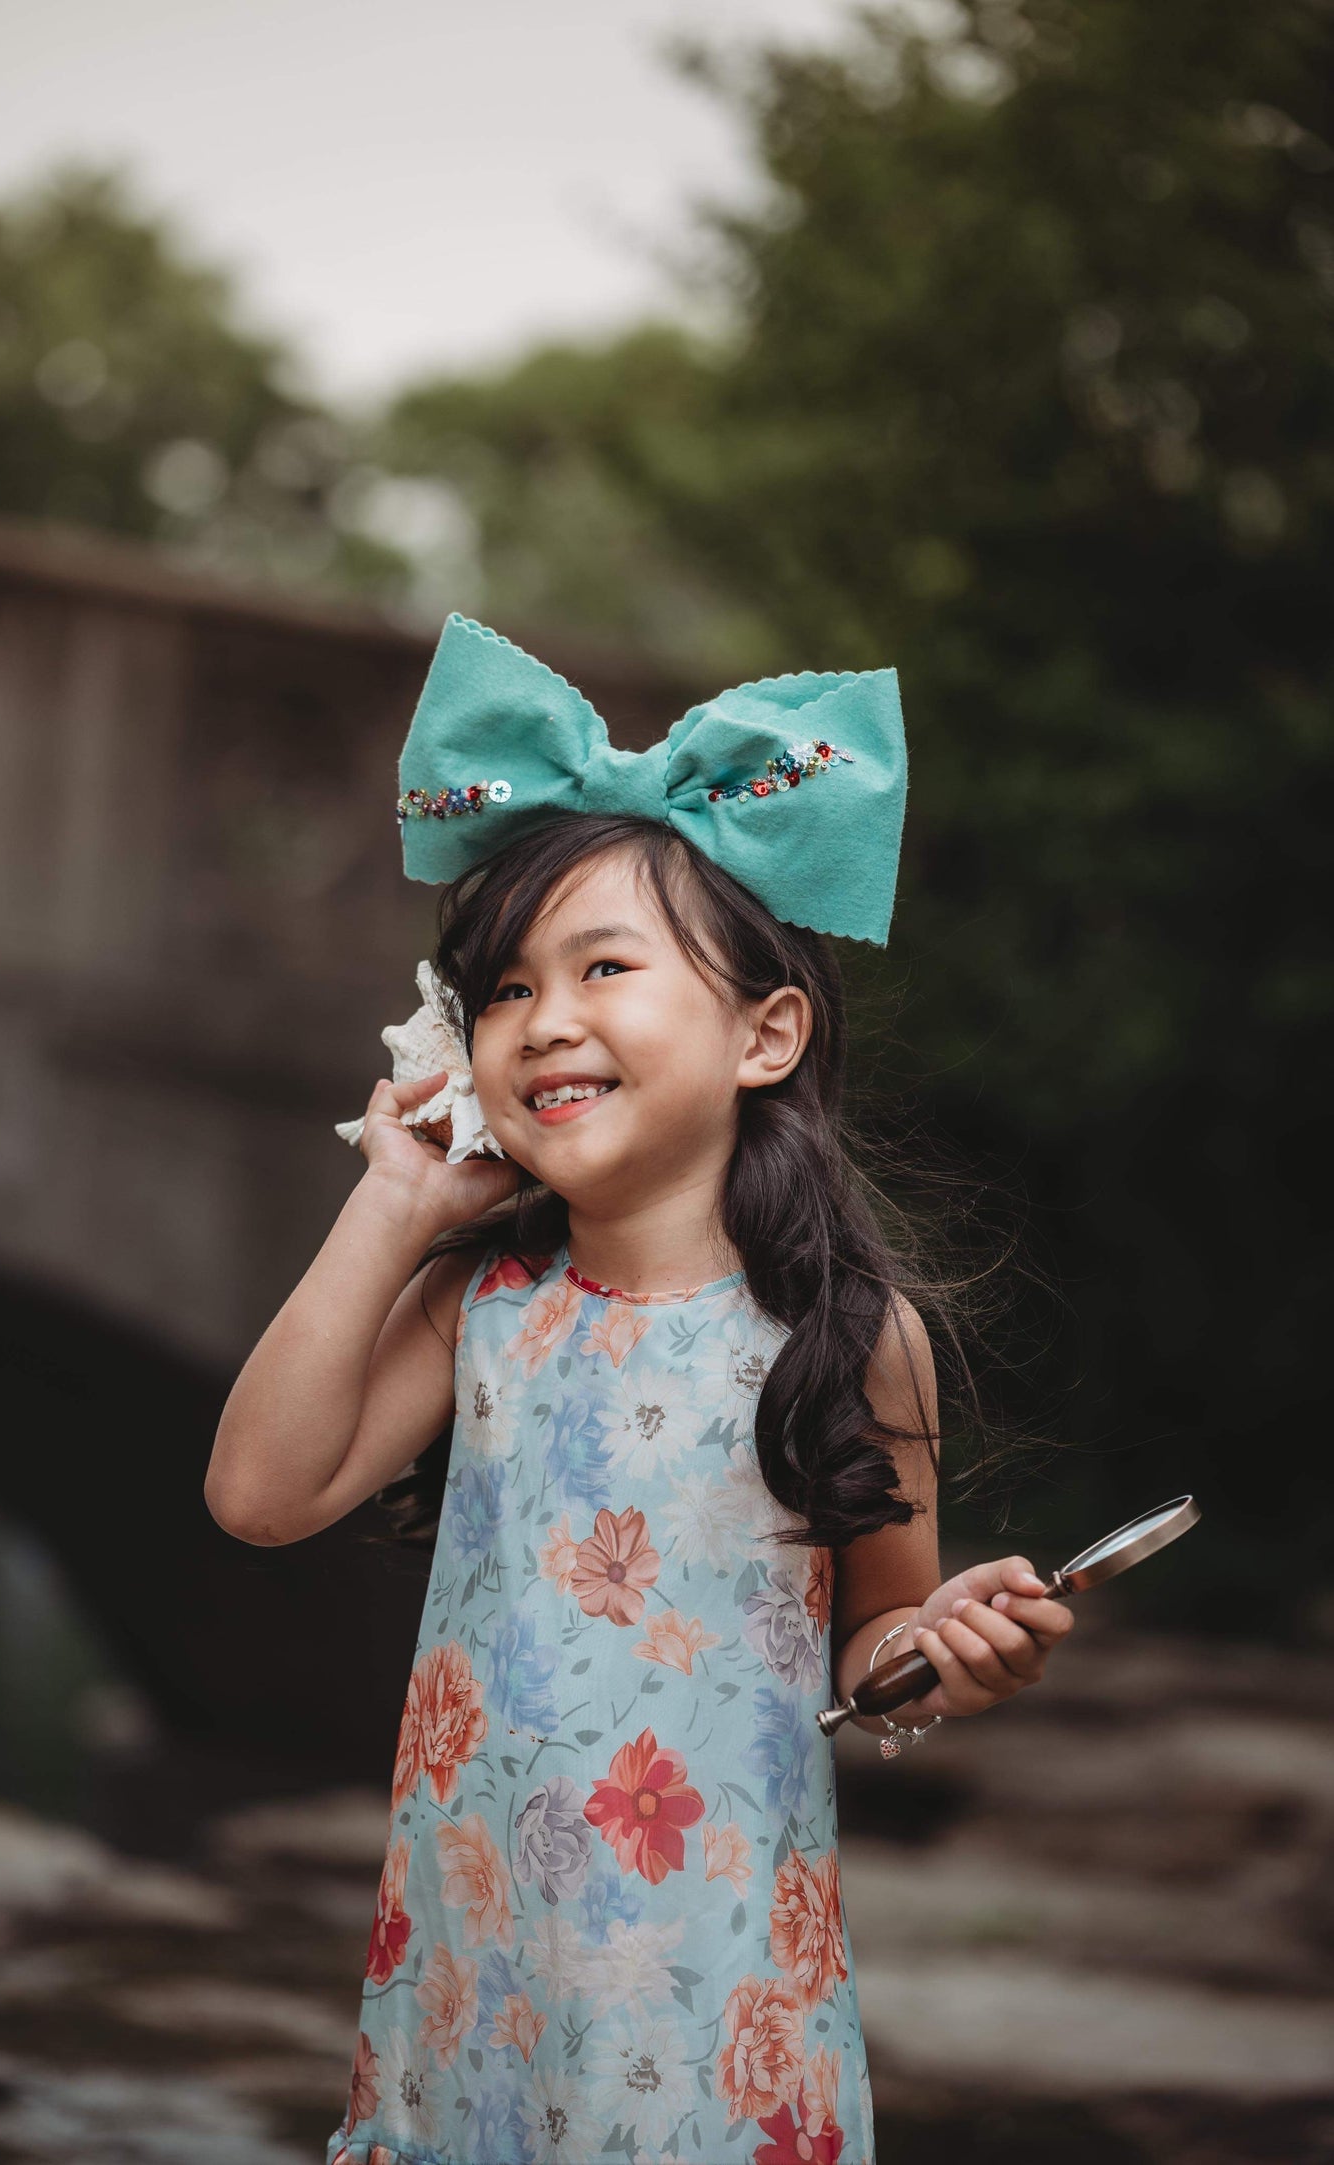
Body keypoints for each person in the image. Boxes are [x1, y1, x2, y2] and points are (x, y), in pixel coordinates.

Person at [205, 611, 1075, 2165]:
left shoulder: (849, 1334)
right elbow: (259, 1497)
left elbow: (876, 1640)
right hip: (473, 1991)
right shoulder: (484, 1306)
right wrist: (396, 1202)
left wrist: (946, 1653)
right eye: (501, 987)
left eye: (604, 965)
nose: (543, 1017)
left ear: (765, 1030)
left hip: (716, 2009)